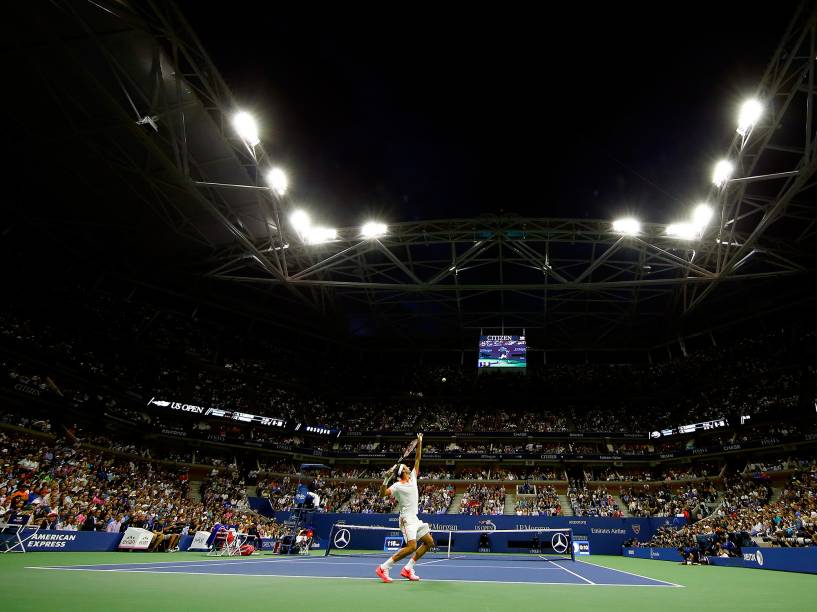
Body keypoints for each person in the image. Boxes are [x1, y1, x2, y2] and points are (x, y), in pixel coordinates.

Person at [375, 433, 433, 583]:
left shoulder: (413, 476)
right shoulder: (397, 486)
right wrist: (386, 479)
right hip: (406, 519)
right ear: (404, 472)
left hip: (415, 518)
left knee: (429, 542)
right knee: (412, 546)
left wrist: (420, 442)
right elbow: (382, 495)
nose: (409, 466)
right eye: (407, 467)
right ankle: (383, 567)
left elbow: (418, 458)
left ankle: (408, 569)